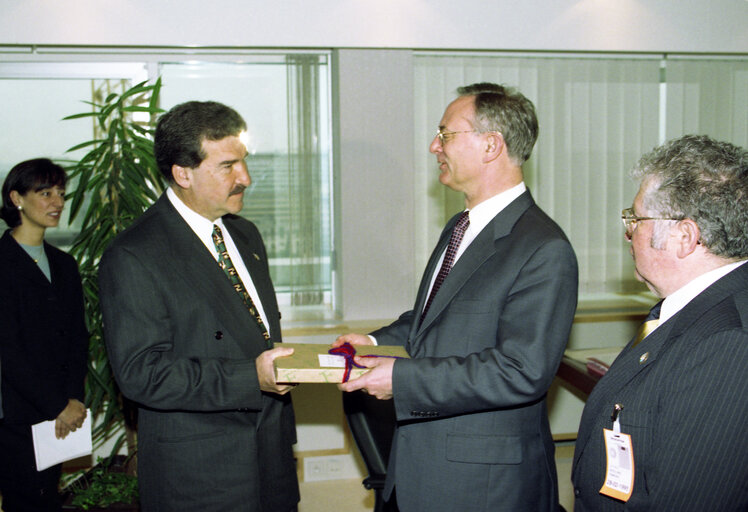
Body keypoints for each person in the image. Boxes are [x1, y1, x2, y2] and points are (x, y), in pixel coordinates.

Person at [335, 83, 579, 511]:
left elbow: (522, 370)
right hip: (417, 468)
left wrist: (399, 379)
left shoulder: (543, 248)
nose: (434, 146)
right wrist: (371, 343)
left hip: (482, 485)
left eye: (445, 134)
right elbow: (432, 320)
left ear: (490, 145)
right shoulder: (460, 227)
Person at [98, 101, 299, 512]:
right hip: (201, 474)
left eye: (244, 162)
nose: (245, 178)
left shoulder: (245, 236)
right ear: (182, 173)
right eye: (227, 166)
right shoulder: (136, 253)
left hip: (270, 459)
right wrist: (251, 378)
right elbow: (141, 374)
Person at [572, 135, 748, 511]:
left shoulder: (727, 340)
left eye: (635, 219)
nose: (628, 233)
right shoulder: (685, 309)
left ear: (684, 237)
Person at [0, 158, 88, 512]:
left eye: (62, 194)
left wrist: (74, 401)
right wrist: (57, 404)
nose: (58, 203)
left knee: (48, 499)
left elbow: (78, 338)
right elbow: (7, 350)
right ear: (16, 198)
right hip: (18, 413)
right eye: (45, 193)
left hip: (62, 414)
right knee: (26, 501)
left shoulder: (65, 264)